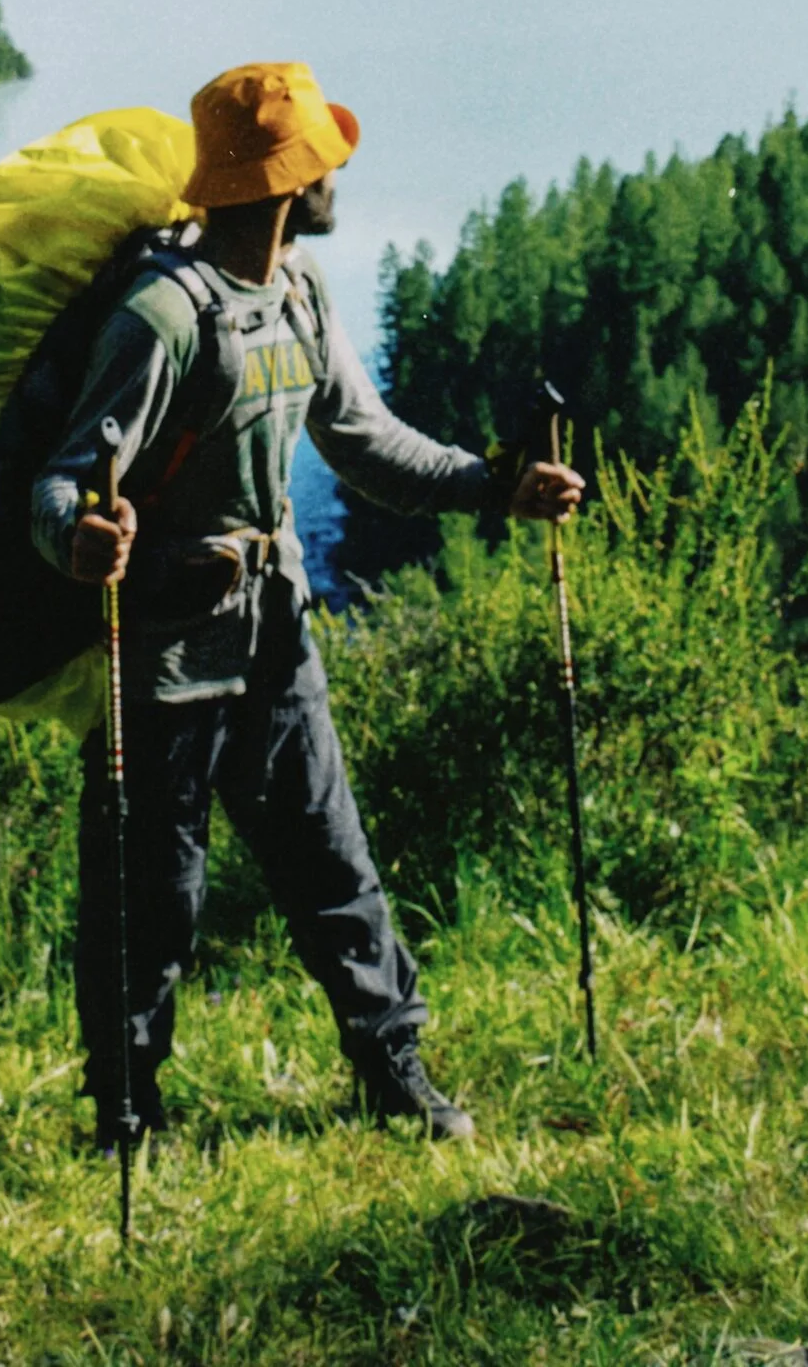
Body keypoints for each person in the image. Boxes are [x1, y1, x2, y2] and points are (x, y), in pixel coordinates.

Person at [31, 61, 581, 1144]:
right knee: (154, 900)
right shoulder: (163, 317)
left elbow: (366, 443)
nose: (336, 176)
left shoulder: (299, 292)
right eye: (322, 159)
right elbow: (62, 480)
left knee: (334, 863)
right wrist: (81, 539)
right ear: (283, 183)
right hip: (165, 659)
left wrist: (494, 487)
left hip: (276, 635)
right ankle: (127, 1111)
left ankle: (393, 1069)